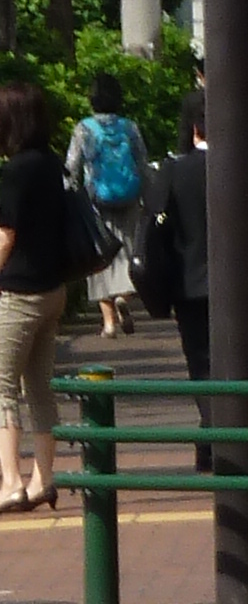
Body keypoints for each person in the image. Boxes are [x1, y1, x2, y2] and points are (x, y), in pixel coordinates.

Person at [0, 74, 75, 516]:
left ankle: (10, 483)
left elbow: (6, 233)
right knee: (39, 386)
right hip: (55, 288)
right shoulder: (53, 163)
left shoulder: (17, 169)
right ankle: (44, 478)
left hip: (21, 292)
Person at [69, 70, 153, 342]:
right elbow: (142, 164)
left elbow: (72, 168)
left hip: (97, 201)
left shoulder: (83, 129)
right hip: (129, 198)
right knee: (127, 252)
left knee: (99, 258)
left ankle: (108, 325)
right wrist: (151, 197)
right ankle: (124, 296)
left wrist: (70, 195)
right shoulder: (130, 128)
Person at [157, 87, 216, 469]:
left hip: (191, 285)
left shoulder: (175, 172)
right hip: (237, 290)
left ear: (194, 129)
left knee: (201, 363)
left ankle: (211, 433)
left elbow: (159, 231)